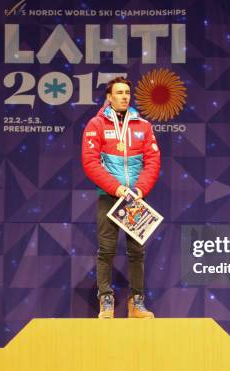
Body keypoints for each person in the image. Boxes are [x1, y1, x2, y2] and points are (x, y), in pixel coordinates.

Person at [81, 76, 161, 319]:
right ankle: (106, 299)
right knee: (106, 250)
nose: (125, 96)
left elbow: (153, 161)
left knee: (137, 251)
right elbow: (90, 162)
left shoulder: (143, 126)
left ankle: (137, 302)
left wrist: (139, 190)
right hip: (109, 196)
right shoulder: (96, 124)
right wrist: (116, 188)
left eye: (127, 92)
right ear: (109, 97)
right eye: (119, 92)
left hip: (135, 197)